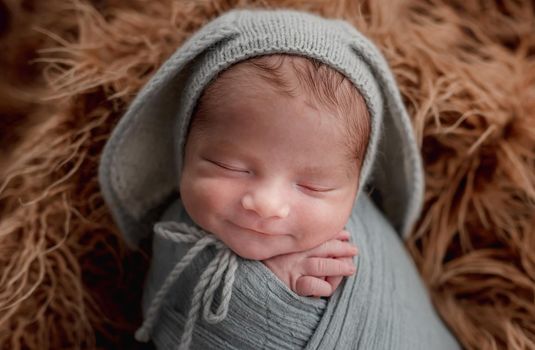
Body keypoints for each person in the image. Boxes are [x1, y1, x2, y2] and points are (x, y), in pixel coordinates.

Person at [99, 8, 460, 350]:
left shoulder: (345, 254)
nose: (267, 205)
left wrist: (274, 298)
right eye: (230, 166)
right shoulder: (174, 229)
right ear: (185, 149)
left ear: (357, 191)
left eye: (312, 186)